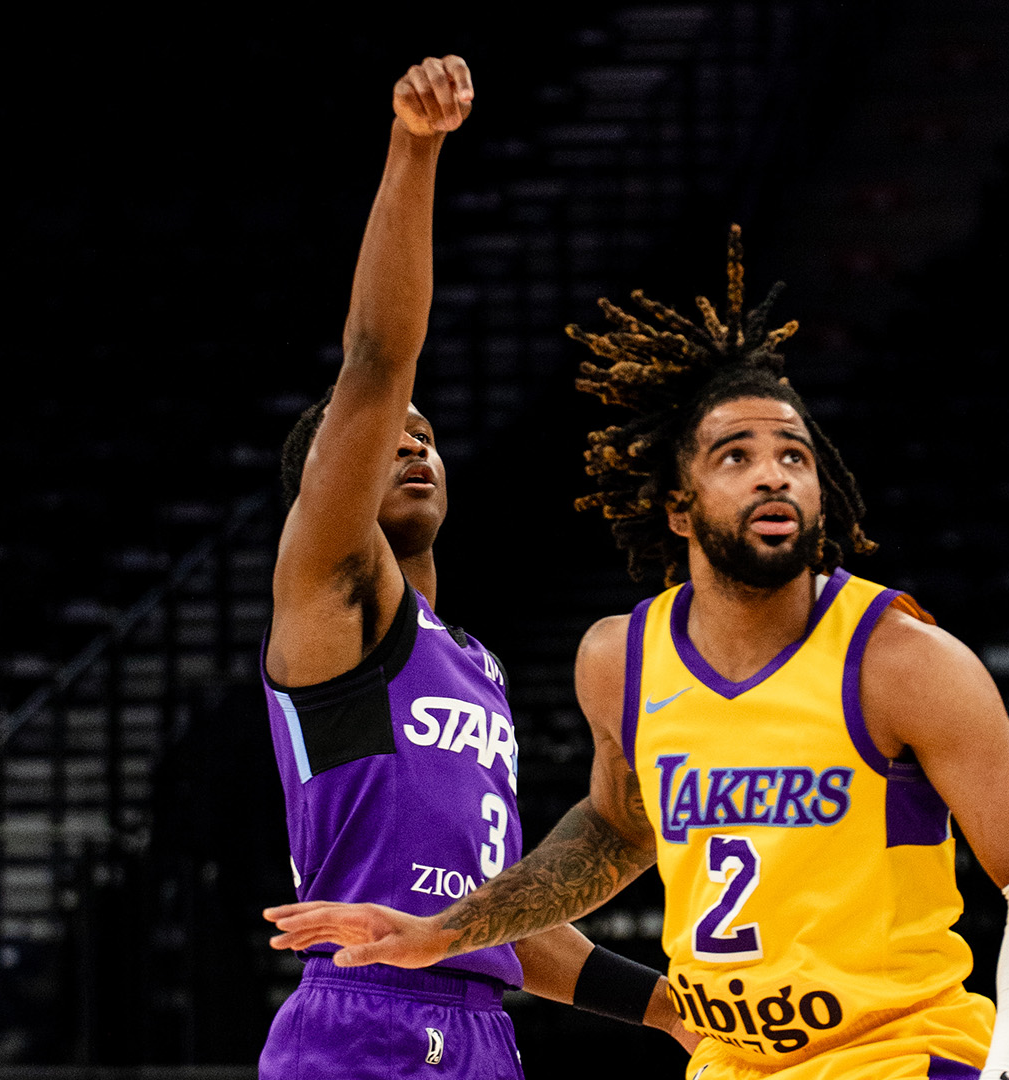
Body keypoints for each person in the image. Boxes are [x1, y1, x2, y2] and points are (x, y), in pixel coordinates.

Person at [266, 227, 1009, 1080]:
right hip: (695, 1057)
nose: (773, 475)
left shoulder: (899, 657)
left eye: (795, 456)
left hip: (891, 1054)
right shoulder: (618, 661)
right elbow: (615, 828)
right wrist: (446, 934)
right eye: (737, 456)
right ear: (678, 504)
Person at [257, 55, 694, 1079]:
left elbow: (489, 917)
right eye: (389, 436)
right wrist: (415, 149)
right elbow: (378, 357)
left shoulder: (473, 664)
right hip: (364, 1016)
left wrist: (671, 1009)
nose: (413, 444)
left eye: (429, 436)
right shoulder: (333, 591)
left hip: (479, 1026)